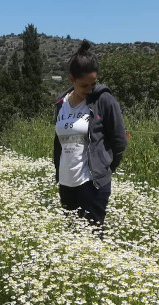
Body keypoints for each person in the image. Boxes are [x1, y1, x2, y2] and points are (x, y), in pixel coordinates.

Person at [54, 40, 127, 234]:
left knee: (93, 239)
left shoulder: (104, 100)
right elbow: (58, 142)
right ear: (71, 80)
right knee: (70, 240)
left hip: (92, 184)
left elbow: (119, 141)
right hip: (66, 183)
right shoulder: (61, 104)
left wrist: (105, 169)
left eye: (93, 84)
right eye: (84, 85)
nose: (89, 89)